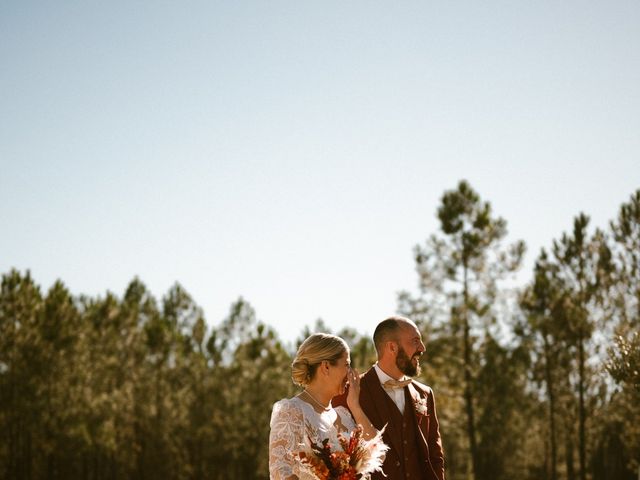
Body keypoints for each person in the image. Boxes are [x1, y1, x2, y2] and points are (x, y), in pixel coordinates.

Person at [334, 316, 445, 480]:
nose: (422, 348)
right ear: (392, 347)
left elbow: (435, 456)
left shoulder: (425, 394)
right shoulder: (348, 393)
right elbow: (339, 457)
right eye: (415, 341)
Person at [269, 333, 381, 480]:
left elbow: (380, 453)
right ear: (326, 366)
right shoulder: (292, 411)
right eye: (347, 365)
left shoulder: (344, 416)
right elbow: (281, 471)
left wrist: (355, 406)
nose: (351, 373)